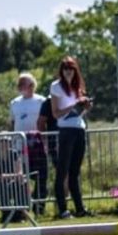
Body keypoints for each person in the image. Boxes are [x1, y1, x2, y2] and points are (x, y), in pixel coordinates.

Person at [49, 56, 92, 219]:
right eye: (65, 69)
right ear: (61, 70)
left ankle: (80, 208)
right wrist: (73, 105)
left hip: (79, 129)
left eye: (71, 69)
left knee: (75, 172)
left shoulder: (78, 87)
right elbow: (56, 113)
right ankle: (63, 209)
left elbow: (79, 114)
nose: (68, 72)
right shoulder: (56, 87)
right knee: (62, 172)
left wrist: (86, 107)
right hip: (65, 131)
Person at [8, 73, 47, 215]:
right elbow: (12, 123)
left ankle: (39, 208)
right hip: (19, 147)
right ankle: (22, 210)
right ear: (20, 87)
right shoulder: (14, 103)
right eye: (24, 84)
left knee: (41, 177)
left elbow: (45, 122)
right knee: (20, 178)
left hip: (37, 146)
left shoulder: (41, 101)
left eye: (31, 84)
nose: (28, 87)